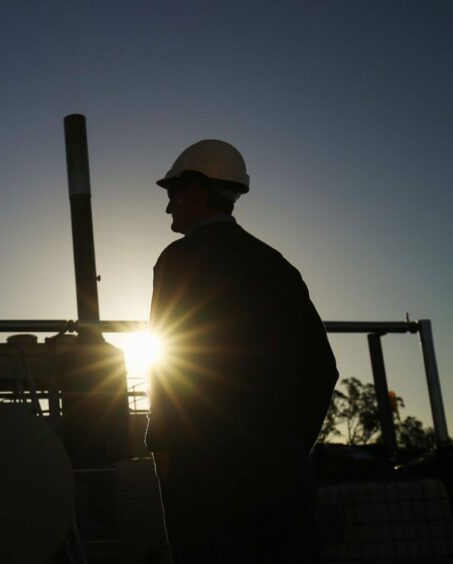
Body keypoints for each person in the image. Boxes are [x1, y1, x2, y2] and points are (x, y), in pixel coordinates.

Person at [145, 140, 339, 563]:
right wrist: (289, 443)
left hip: (205, 475)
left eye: (172, 194)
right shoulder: (279, 266)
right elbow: (323, 368)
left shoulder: (178, 261)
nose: (168, 208)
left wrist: (164, 445)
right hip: (281, 475)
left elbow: (170, 357)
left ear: (195, 188)